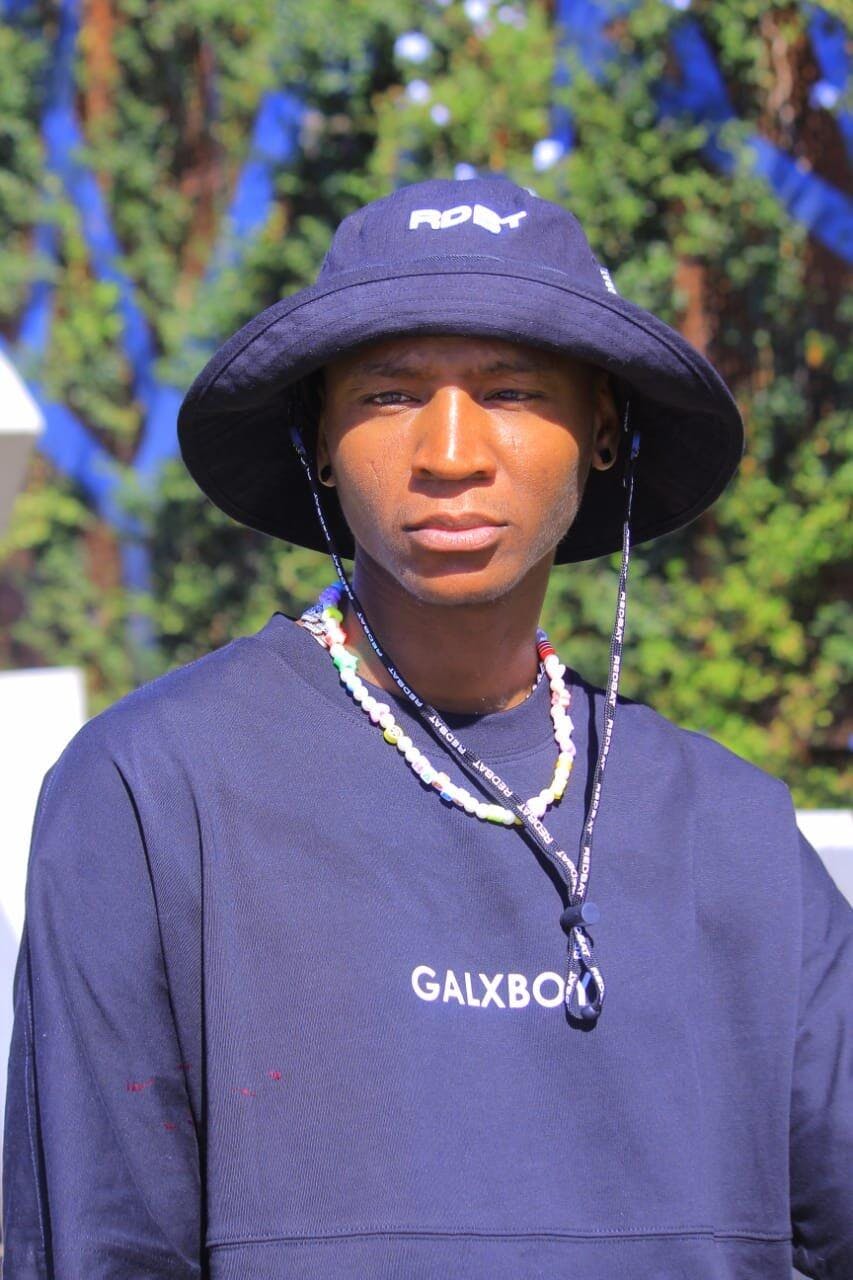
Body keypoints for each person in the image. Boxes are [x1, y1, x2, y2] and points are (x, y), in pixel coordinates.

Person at [2, 176, 850, 1279]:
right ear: (317, 439)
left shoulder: (733, 830)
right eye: (391, 394)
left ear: (603, 432)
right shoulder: (155, 792)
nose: (451, 450)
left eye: (511, 389)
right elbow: (97, 1242)